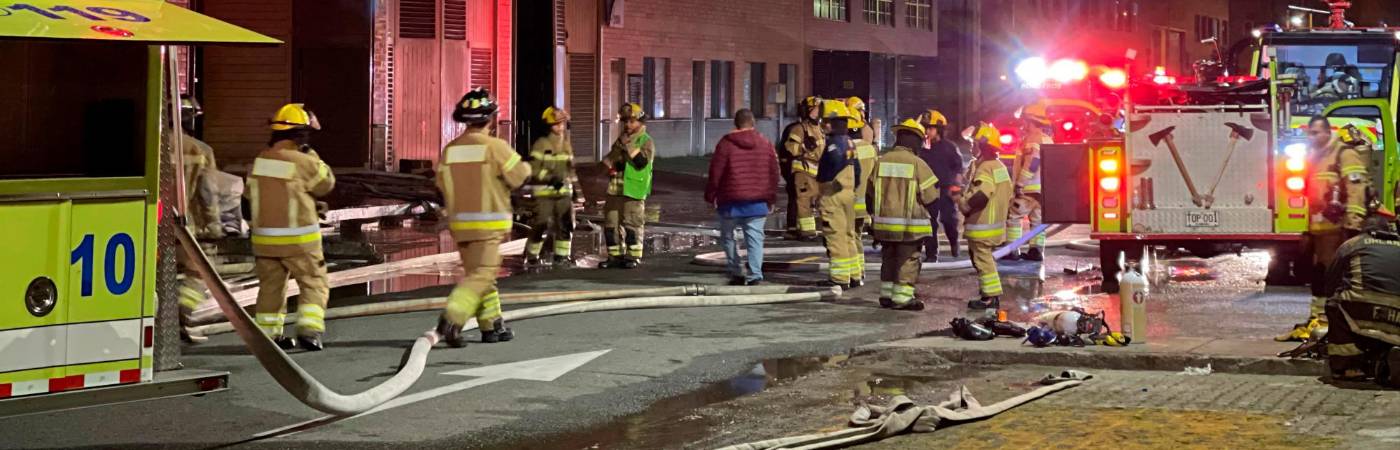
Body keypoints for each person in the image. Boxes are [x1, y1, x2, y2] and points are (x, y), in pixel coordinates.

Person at [433, 89, 531, 347]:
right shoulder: (495, 147)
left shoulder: (450, 150)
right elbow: (519, 176)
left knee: (480, 274)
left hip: (460, 226)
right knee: (482, 275)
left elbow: (441, 184)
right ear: (490, 119)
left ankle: (491, 326)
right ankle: (452, 318)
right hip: (488, 226)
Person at [246, 103, 336, 351]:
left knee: (271, 288)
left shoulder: (260, 161)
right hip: (300, 242)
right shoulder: (303, 161)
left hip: (264, 242)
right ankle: (310, 332)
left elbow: (252, 194)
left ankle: (268, 337)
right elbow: (326, 184)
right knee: (314, 283)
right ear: (301, 134)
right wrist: (311, 155)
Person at [1279, 118, 1372, 341]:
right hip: (1319, 230)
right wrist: (1308, 231)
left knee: (1334, 278)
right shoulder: (1315, 157)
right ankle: (1317, 320)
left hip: (1337, 230)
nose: (1312, 137)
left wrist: (1353, 225)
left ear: (1327, 132)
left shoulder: (1344, 154)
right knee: (1318, 276)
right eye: (1310, 133)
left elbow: (1357, 189)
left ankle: (1334, 325)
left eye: (1316, 133)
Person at [1323, 207, 1400, 387]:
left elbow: (1331, 280)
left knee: (1334, 304)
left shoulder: (1352, 244)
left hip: (1363, 310)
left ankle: (1349, 367)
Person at [871, 119, 941, 310]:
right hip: (909, 226)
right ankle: (902, 298)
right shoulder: (918, 164)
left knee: (889, 258)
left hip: (883, 225)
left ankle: (886, 295)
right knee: (907, 260)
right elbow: (931, 197)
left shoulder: (881, 161)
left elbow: (870, 193)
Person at [705, 109, 780, 286]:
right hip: (758, 202)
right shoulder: (765, 143)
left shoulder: (726, 144)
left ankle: (736, 270)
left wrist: (711, 195)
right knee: (754, 238)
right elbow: (774, 173)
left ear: (735, 124)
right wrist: (771, 198)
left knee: (728, 236)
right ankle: (755, 274)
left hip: (730, 201)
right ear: (753, 123)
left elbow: (716, 172)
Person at [962, 123, 1013, 312]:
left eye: (973, 143)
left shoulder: (985, 168)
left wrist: (965, 205)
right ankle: (989, 294)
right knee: (984, 259)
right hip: (994, 225)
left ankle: (990, 298)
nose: (971, 146)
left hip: (982, 224)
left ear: (982, 145)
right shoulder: (998, 166)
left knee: (983, 261)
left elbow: (982, 194)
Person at [599, 103, 656, 269]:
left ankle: (633, 256)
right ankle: (614, 256)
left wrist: (628, 144)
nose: (628, 125)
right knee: (611, 223)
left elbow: (640, 162)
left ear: (640, 122)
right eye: (625, 121)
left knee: (632, 224)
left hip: (633, 190)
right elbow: (611, 159)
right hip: (615, 188)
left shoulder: (646, 141)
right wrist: (606, 166)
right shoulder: (621, 139)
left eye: (631, 121)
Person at [524, 106, 577, 267]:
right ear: (549, 126)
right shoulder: (541, 144)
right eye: (556, 124)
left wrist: (576, 191)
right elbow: (533, 170)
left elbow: (571, 169)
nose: (560, 127)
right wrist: (549, 178)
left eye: (562, 123)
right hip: (544, 194)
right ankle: (532, 256)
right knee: (541, 224)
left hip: (564, 193)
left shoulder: (566, 145)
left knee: (565, 224)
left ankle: (562, 257)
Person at [817, 100, 861, 288]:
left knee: (835, 236)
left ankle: (839, 279)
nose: (823, 124)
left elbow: (832, 163)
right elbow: (857, 170)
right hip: (849, 194)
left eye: (826, 121)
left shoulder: (833, 144)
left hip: (833, 195)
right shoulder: (850, 142)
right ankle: (854, 275)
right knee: (849, 235)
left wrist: (825, 182)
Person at [1003, 103, 1051, 262]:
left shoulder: (1032, 139)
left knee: (1014, 217)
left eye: (1025, 121)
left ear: (1031, 121)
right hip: (1043, 190)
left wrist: (1020, 183)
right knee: (1037, 220)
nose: (1023, 124)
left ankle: (1012, 250)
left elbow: (1033, 162)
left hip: (1028, 189)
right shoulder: (1048, 139)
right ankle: (1036, 251)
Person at [917, 110, 964, 262]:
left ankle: (954, 243)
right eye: (925, 128)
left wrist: (956, 185)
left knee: (949, 220)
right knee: (929, 222)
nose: (927, 131)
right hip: (927, 190)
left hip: (945, 189)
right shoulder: (921, 148)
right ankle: (931, 254)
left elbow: (958, 167)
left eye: (930, 128)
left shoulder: (949, 147)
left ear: (939, 130)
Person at [180, 96, 225, 240]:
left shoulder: (151, 146)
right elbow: (207, 193)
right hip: (183, 226)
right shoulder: (201, 150)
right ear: (189, 119)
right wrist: (214, 227)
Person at [782, 97, 826, 240]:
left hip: (817, 171)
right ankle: (806, 232)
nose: (818, 112)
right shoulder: (799, 128)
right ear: (808, 111)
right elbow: (790, 148)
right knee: (804, 201)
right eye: (816, 109)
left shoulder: (819, 128)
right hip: (803, 170)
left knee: (817, 202)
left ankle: (809, 229)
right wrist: (804, 147)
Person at [847, 97, 878, 286]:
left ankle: (852, 274)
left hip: (847, 203)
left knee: (848, 238)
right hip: (864, 204)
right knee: (856, 237)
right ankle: (859, 271)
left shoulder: (846, 149)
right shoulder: (870, 149)